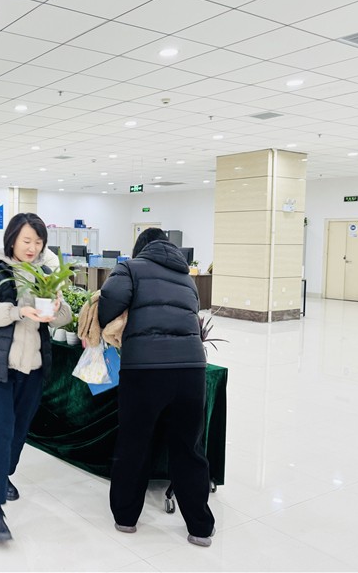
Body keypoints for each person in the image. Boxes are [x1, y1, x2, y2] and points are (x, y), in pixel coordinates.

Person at [97, 227, 215, 547]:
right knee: (188, 448)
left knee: (134, 444)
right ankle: (200, 527)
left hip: (145, 370)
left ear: (140, 248)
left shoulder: (129, 268)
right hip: (191, 371)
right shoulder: (187, 278)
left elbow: (108, 306)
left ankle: (126, 518)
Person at [0, 212, 72, 543]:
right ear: (12, 238)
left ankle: (3, 474)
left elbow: (64, 316)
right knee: (0, 429)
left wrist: (56, 309)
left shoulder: (46, 273)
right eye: (27, 240)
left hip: (33, 366)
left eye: (38, 242)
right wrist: (18, 312)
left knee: (19, 428)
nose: (32, 247)